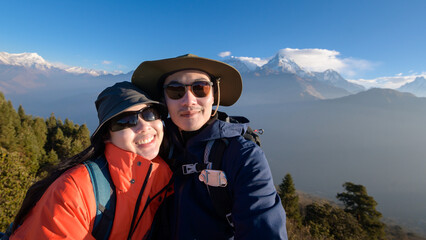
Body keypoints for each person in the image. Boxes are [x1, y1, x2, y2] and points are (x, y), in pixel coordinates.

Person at [132, 54, 288, 239]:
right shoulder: (151, 145)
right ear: (164, 99)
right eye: (175, 90)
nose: (188, 101)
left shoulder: (243, 157)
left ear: (213, 95)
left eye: (200, 88)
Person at [9, 81, 173, 239]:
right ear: (106, 136)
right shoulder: (73, 191)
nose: (145, 126)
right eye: (126, 120)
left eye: (150, 113)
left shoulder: (167, 178)